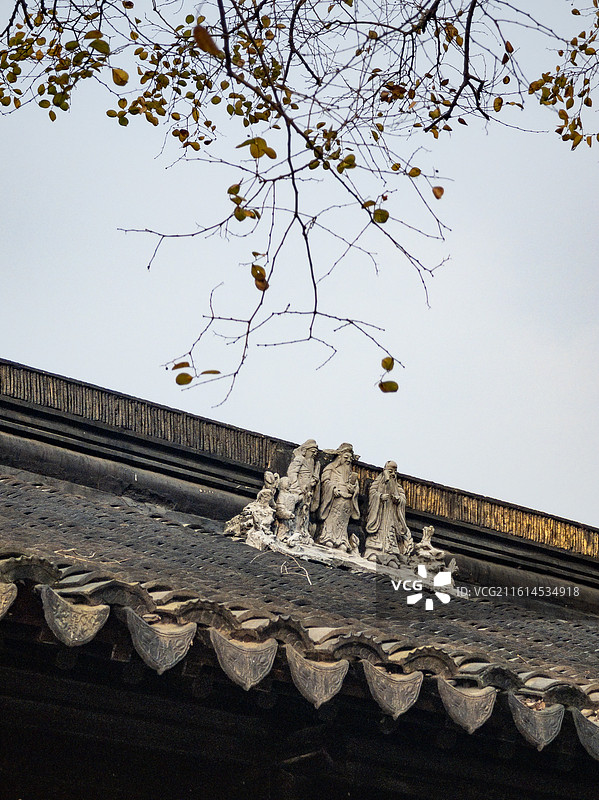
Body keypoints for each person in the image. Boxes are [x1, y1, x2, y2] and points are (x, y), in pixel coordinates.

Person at [365, 461, 413, 568]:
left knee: (391, 537)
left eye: (395, 471)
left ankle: (390, 557)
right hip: (381, 514)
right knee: (378, 533)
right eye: (390, 471)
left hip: (391, 515)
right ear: (385, 470)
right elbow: (372, 492)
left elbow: (403, 499)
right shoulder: (379, 482)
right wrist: (380, 497)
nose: (392, 473)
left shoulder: (397, 486)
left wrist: (399, 500)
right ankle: (373, 553)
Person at [316, 443, 360, 553]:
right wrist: (333, 488)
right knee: (332, 519)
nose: (348, 460)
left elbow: (356, 487)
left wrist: (353, 488)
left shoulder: (350, 473)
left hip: (347, 501)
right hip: (335, 499)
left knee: (342, 523)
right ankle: (328, 538)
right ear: (339, 457)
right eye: (346, 457)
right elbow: (325, 481)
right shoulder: (330, 468)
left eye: (350, 458)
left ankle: (342, 541)